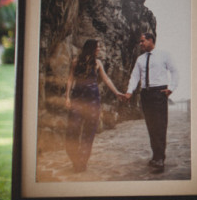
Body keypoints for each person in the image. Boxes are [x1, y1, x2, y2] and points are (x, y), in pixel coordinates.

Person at [65, 39, 123, 172]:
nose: (99, 49)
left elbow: (106, 79)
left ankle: (82, 162)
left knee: (88, 132)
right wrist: (67, 97)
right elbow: (70, 79)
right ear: (91, 48)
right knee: (72, 131)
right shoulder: (75, 62)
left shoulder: (97, 63)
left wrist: (117, 92)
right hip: (77, 99)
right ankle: (75, 159)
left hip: (93, 100)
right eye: (97, 47)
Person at [124, 32, 179, 173]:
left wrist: (171, 89)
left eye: (142, 41)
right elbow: (135, 76)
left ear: (150, 40)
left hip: (159, 93)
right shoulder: (140, 59)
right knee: (151, 126)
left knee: (160, 126)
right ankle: (155, 156)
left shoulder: (164, 54)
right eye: (140, 42)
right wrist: (130, 91)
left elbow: (174, 71)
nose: (140, 44)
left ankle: (160, 159)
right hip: (146, 94)